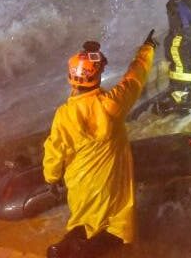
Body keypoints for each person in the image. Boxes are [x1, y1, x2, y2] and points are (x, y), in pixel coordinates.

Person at [43, 31, 157, 258]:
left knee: (83, 222)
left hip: (79, 183)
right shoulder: (111, 105)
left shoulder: (64, 114)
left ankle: (63, 248)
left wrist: (51, 178)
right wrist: (146, 49)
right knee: (115, 228)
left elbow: (54, 149)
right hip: (108, 182)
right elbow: (134, 78)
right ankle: (81, 252)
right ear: (97, 76)